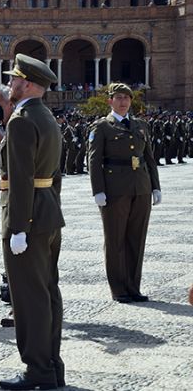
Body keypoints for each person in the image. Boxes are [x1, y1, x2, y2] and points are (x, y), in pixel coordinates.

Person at [0, 54, 65, 390]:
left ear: (27, 83)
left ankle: (38, 370)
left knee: (29, 298)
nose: (10, 84)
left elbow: (22, 178)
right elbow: (55, 175)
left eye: (13, 80)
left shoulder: (21, 120)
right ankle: (52, 364)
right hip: (48, 212)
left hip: (29, 217)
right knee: (48, 292)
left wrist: (19, 226)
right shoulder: (47, 117)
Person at [87, 82, 161, 304]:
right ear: (110, 101)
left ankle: (133, 286)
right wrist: (98, 190)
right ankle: (118, 288)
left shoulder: (140, 126)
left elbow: (149, 158)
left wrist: (155, 186)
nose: (123, 102)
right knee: (115, 239)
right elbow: (94, 160)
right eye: (118, 98)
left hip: (141, 187)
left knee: (136, 239)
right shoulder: (102, 127)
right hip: (114, 189)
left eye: (126, 98)